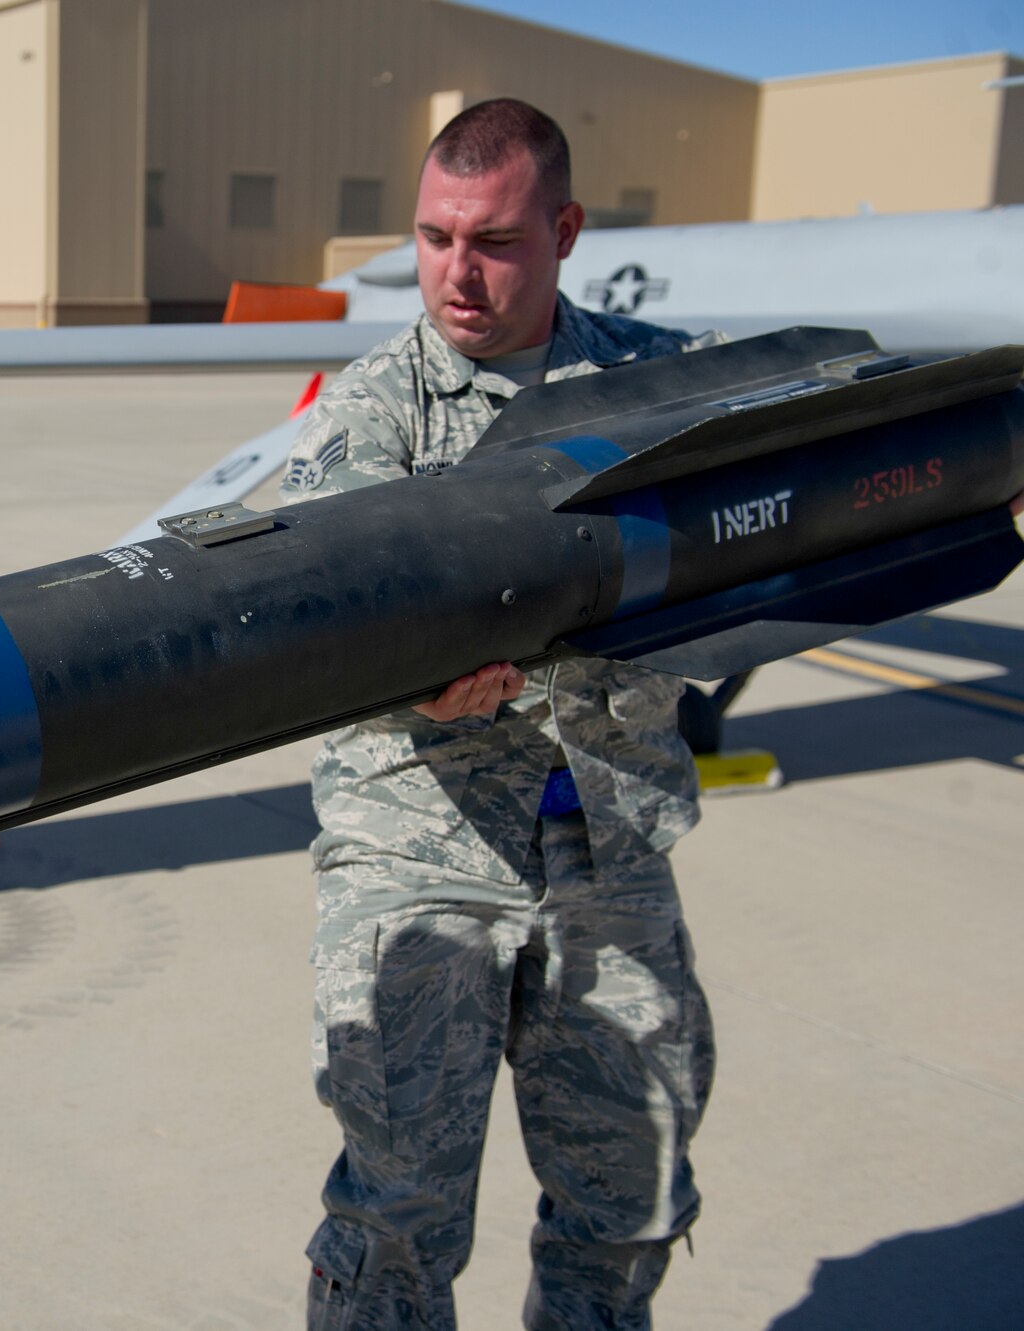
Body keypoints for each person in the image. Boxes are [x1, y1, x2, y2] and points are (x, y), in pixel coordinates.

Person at [280, 99, 718, 1331]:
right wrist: (398, 671)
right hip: (422, 849)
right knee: (397, 1223)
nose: (455, 275)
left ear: (565, 228)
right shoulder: (373, 415)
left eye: (494, 241)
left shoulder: (659, 381)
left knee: (625, 1198)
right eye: (431, 239)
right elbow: (317, 618)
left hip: (610, 849)